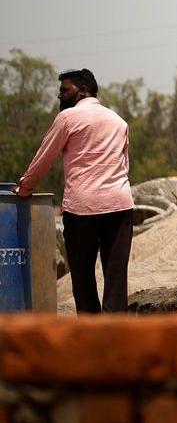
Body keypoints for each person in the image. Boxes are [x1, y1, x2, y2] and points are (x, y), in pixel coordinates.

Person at [16, 69, 134, 314]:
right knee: (116, 278)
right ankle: (117, 342)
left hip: (82, 209)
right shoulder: (118, 121)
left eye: (64, 90)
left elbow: (44, 158)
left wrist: (24, 188)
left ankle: (90, 340)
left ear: (82, 91)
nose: (59, 96)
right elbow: (124, 165)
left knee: (82, 278)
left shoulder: (68, 118)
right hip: (120, 207)